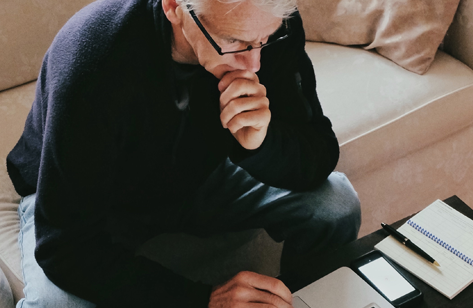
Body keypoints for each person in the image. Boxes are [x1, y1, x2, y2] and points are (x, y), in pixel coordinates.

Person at [7, 0, 361, 306]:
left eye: (263, 42)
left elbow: (318, 151)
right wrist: (201, 300)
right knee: (55, 303)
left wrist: (262, 143)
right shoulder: (93, 55)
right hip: (95, 199)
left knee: (336, 205)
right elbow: (65, 249)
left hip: (199, 176)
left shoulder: (268, 22)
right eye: (233, 40)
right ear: (175, 7)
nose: (253, 64)